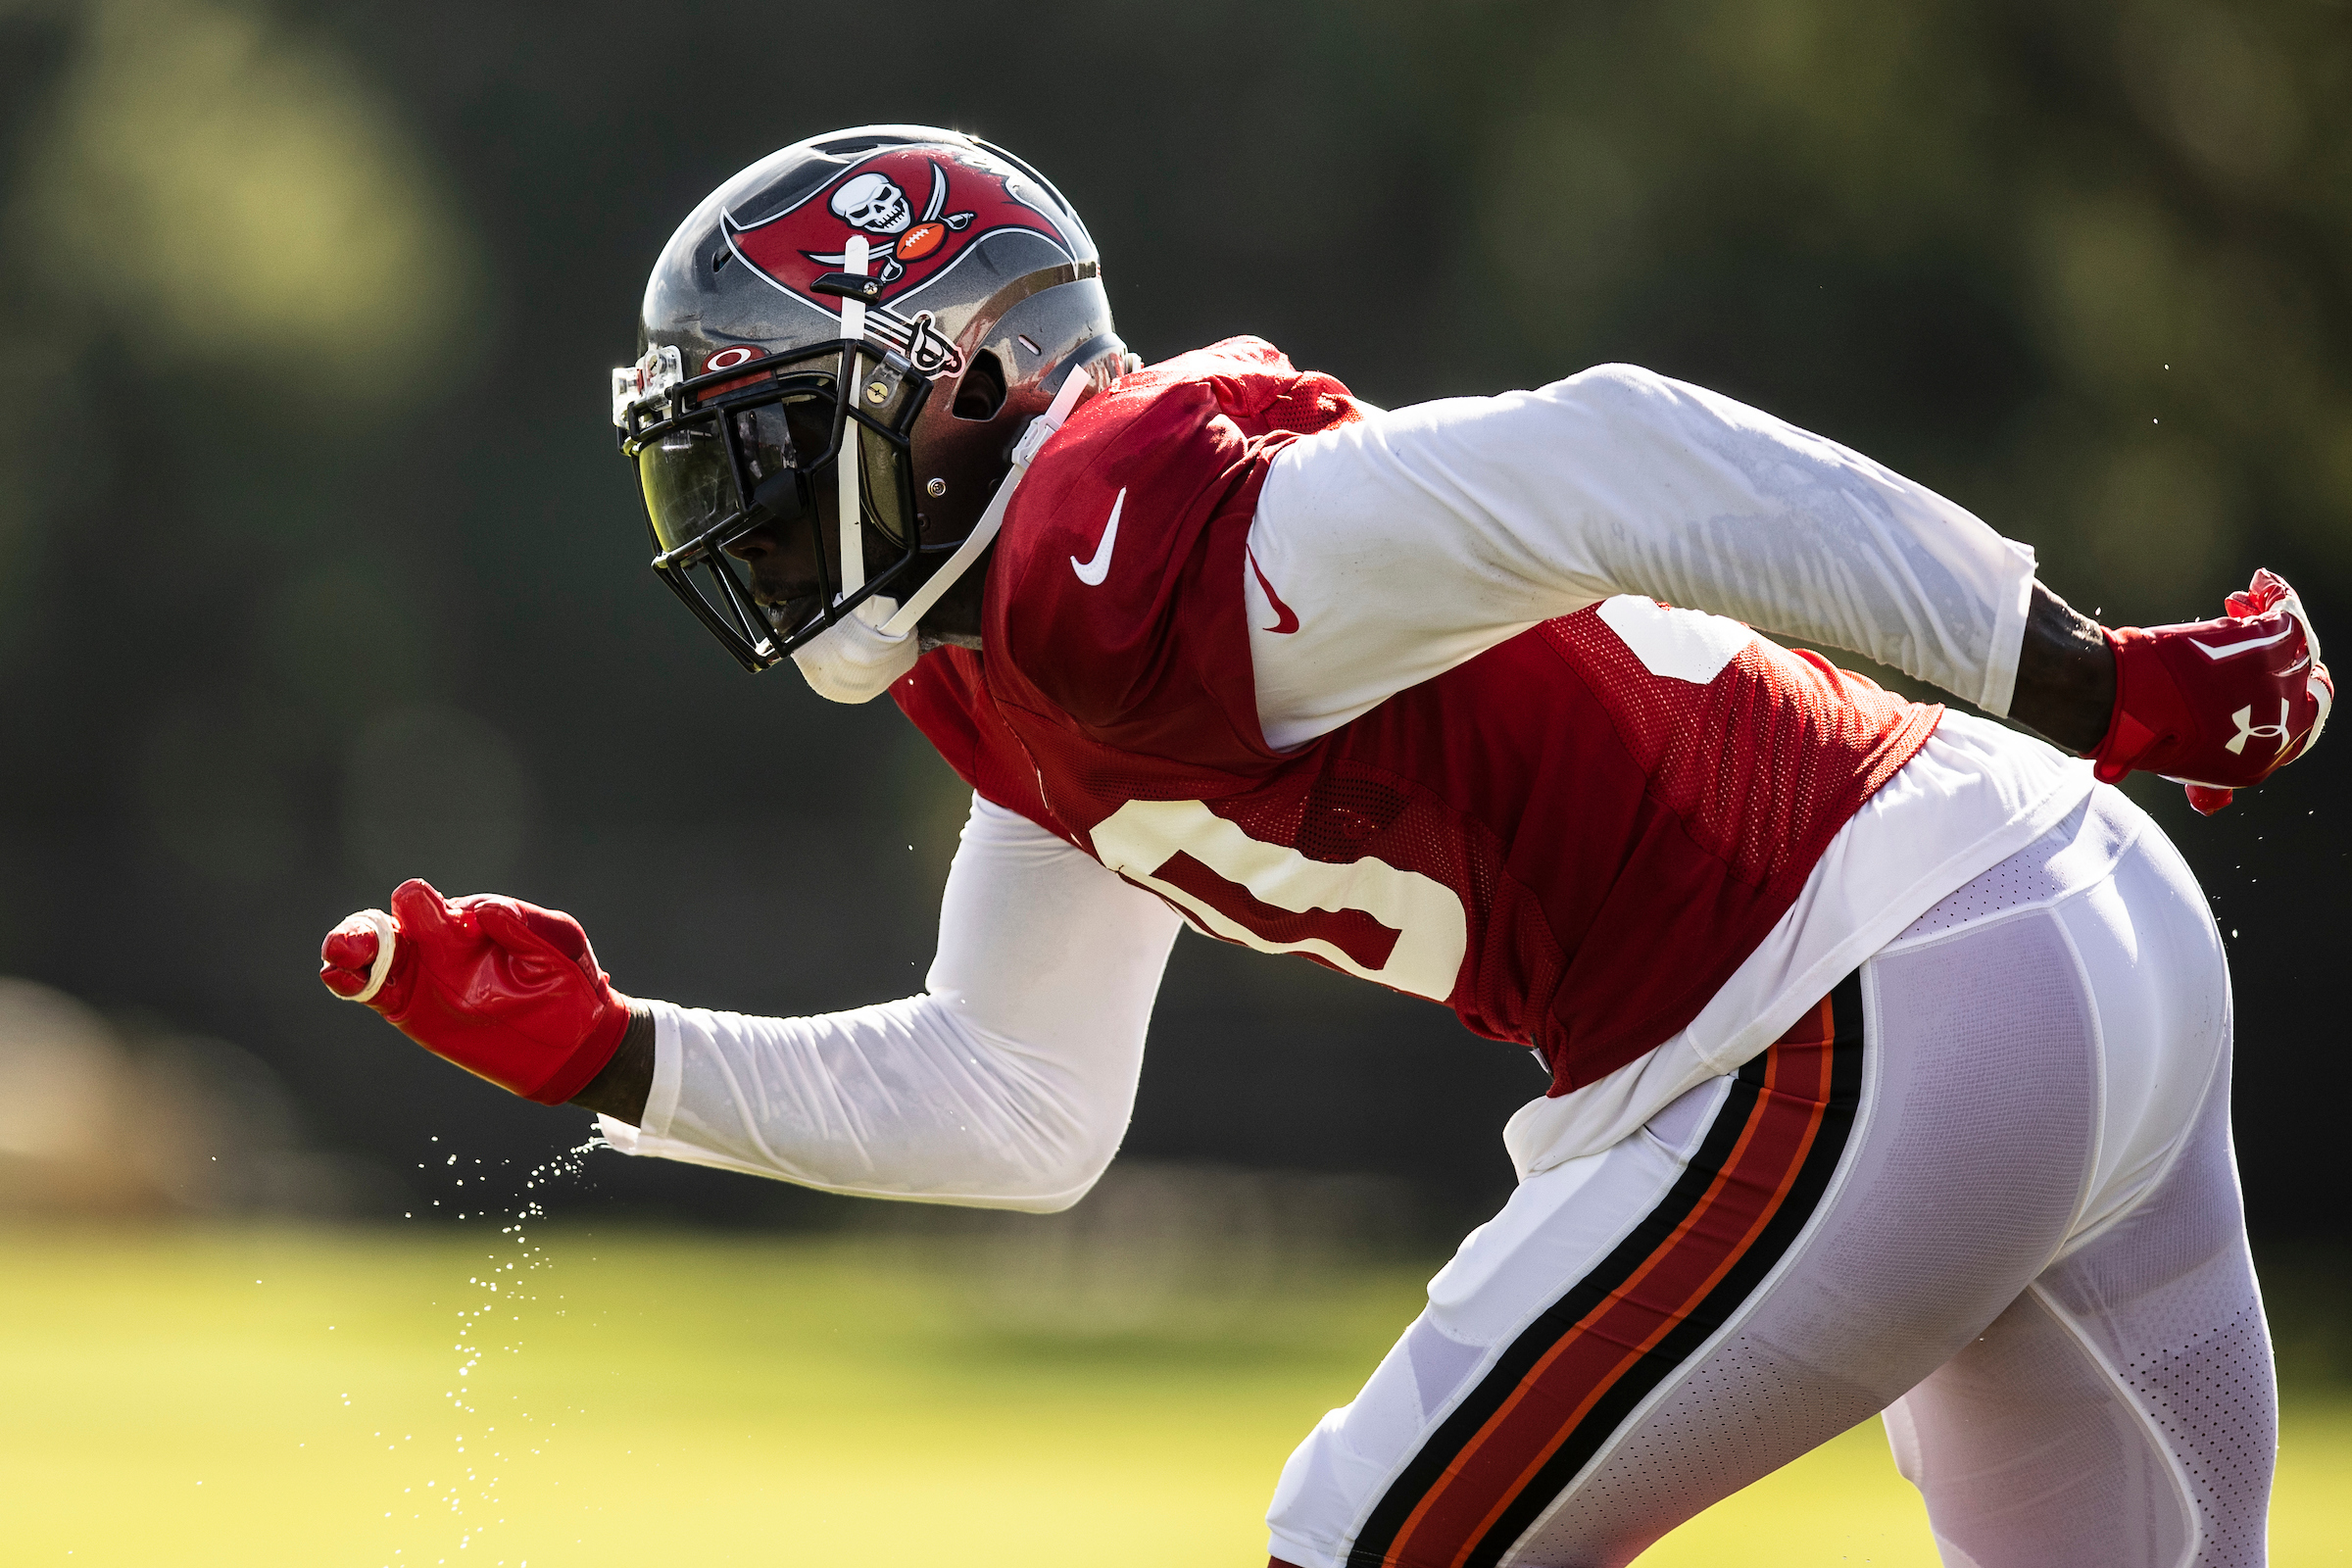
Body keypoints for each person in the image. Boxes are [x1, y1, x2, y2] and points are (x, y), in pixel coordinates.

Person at [319, 125, 2329, 1567]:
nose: (739, 523)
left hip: (1865, 988)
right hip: (2054, 930)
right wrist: (622, 1058)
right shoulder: (1006, 646)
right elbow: (1018, 1098)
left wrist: (2085, 676)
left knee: (1361, 1539)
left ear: (973, 386)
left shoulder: (1133, 545)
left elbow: (1614, 448)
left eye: (772, 447)